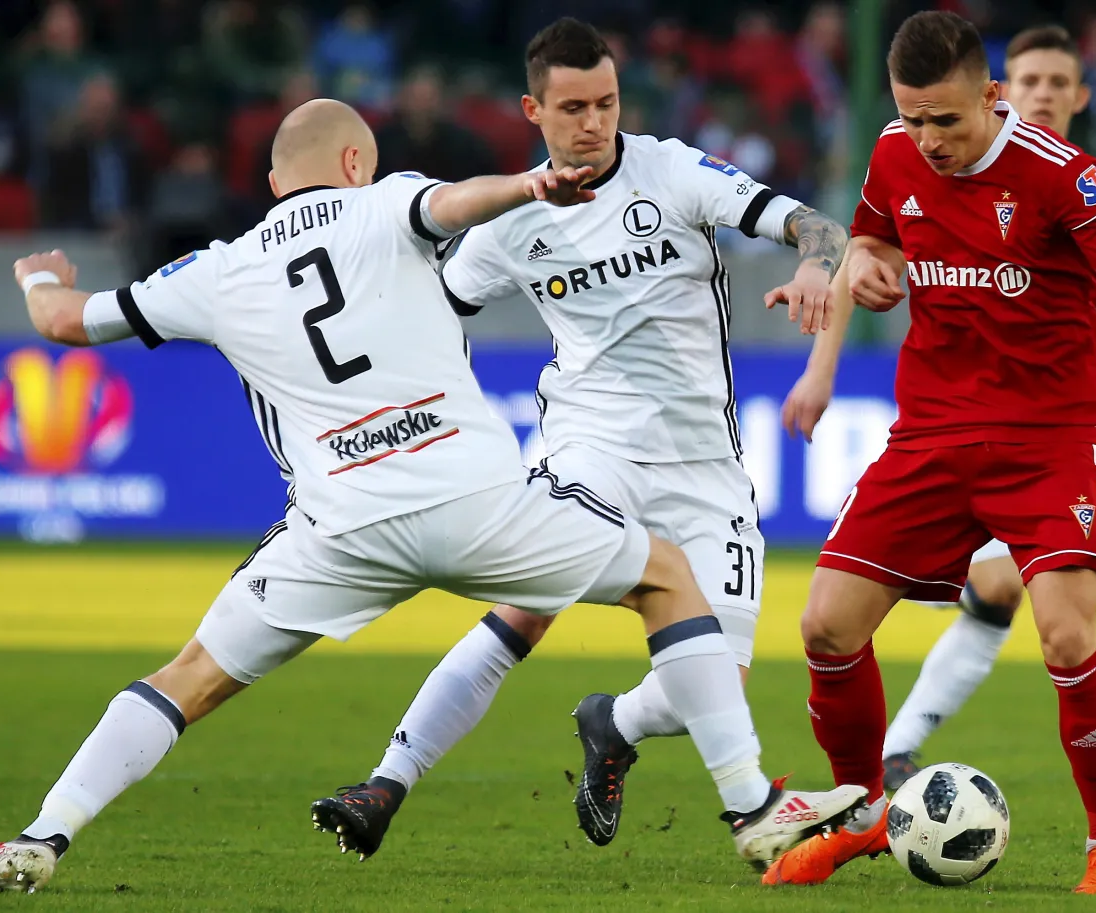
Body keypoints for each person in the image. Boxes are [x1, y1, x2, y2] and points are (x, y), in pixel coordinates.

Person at [0, 99, 864, 894]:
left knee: (184, 681)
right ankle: (750, 806)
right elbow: (456, 203)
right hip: (472, 502)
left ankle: (41, 837)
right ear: (354, 162)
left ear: (274, 182)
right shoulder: (388, 205)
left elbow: (61, 322)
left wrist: (42, 278)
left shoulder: (214, 270)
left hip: (338, 529)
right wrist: (529, 186)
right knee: (664, 578)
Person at [322, 17, 850, 850]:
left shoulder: (672, 171)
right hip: (590, 447)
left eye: (605, 102)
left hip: (707, 469)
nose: (593, 121)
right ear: (534, 109)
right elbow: (426, 316)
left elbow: (819, 224)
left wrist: (817, 264)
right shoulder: (509, 221)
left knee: (711, 685)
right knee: (526, 608)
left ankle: (613, 724)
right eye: (572, 106)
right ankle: (385, 783)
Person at [762, 11, 1096, 894]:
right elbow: (867, 243)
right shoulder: (892, 152)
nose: (928, 139)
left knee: (1067, 636)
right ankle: (866, 809)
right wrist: (835, 338)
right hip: (933, 433)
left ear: (992, 97)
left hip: (1051, 441)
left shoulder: (1063, 174)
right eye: (912, 117)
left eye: (945, 120)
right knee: (826, 624)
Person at [786, 23, 1095, 794]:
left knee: (1021, 604)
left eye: (1060, 83)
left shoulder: (1076, 183)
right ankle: (888, 757)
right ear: (1002, 91)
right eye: (1031, 82)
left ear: (1080, 96)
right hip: (947, 422)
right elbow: (868, 249)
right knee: (968, 595)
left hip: (1043, 433)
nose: (1044, 95)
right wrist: (820, 369)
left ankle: (903, 744)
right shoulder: (927, 150)